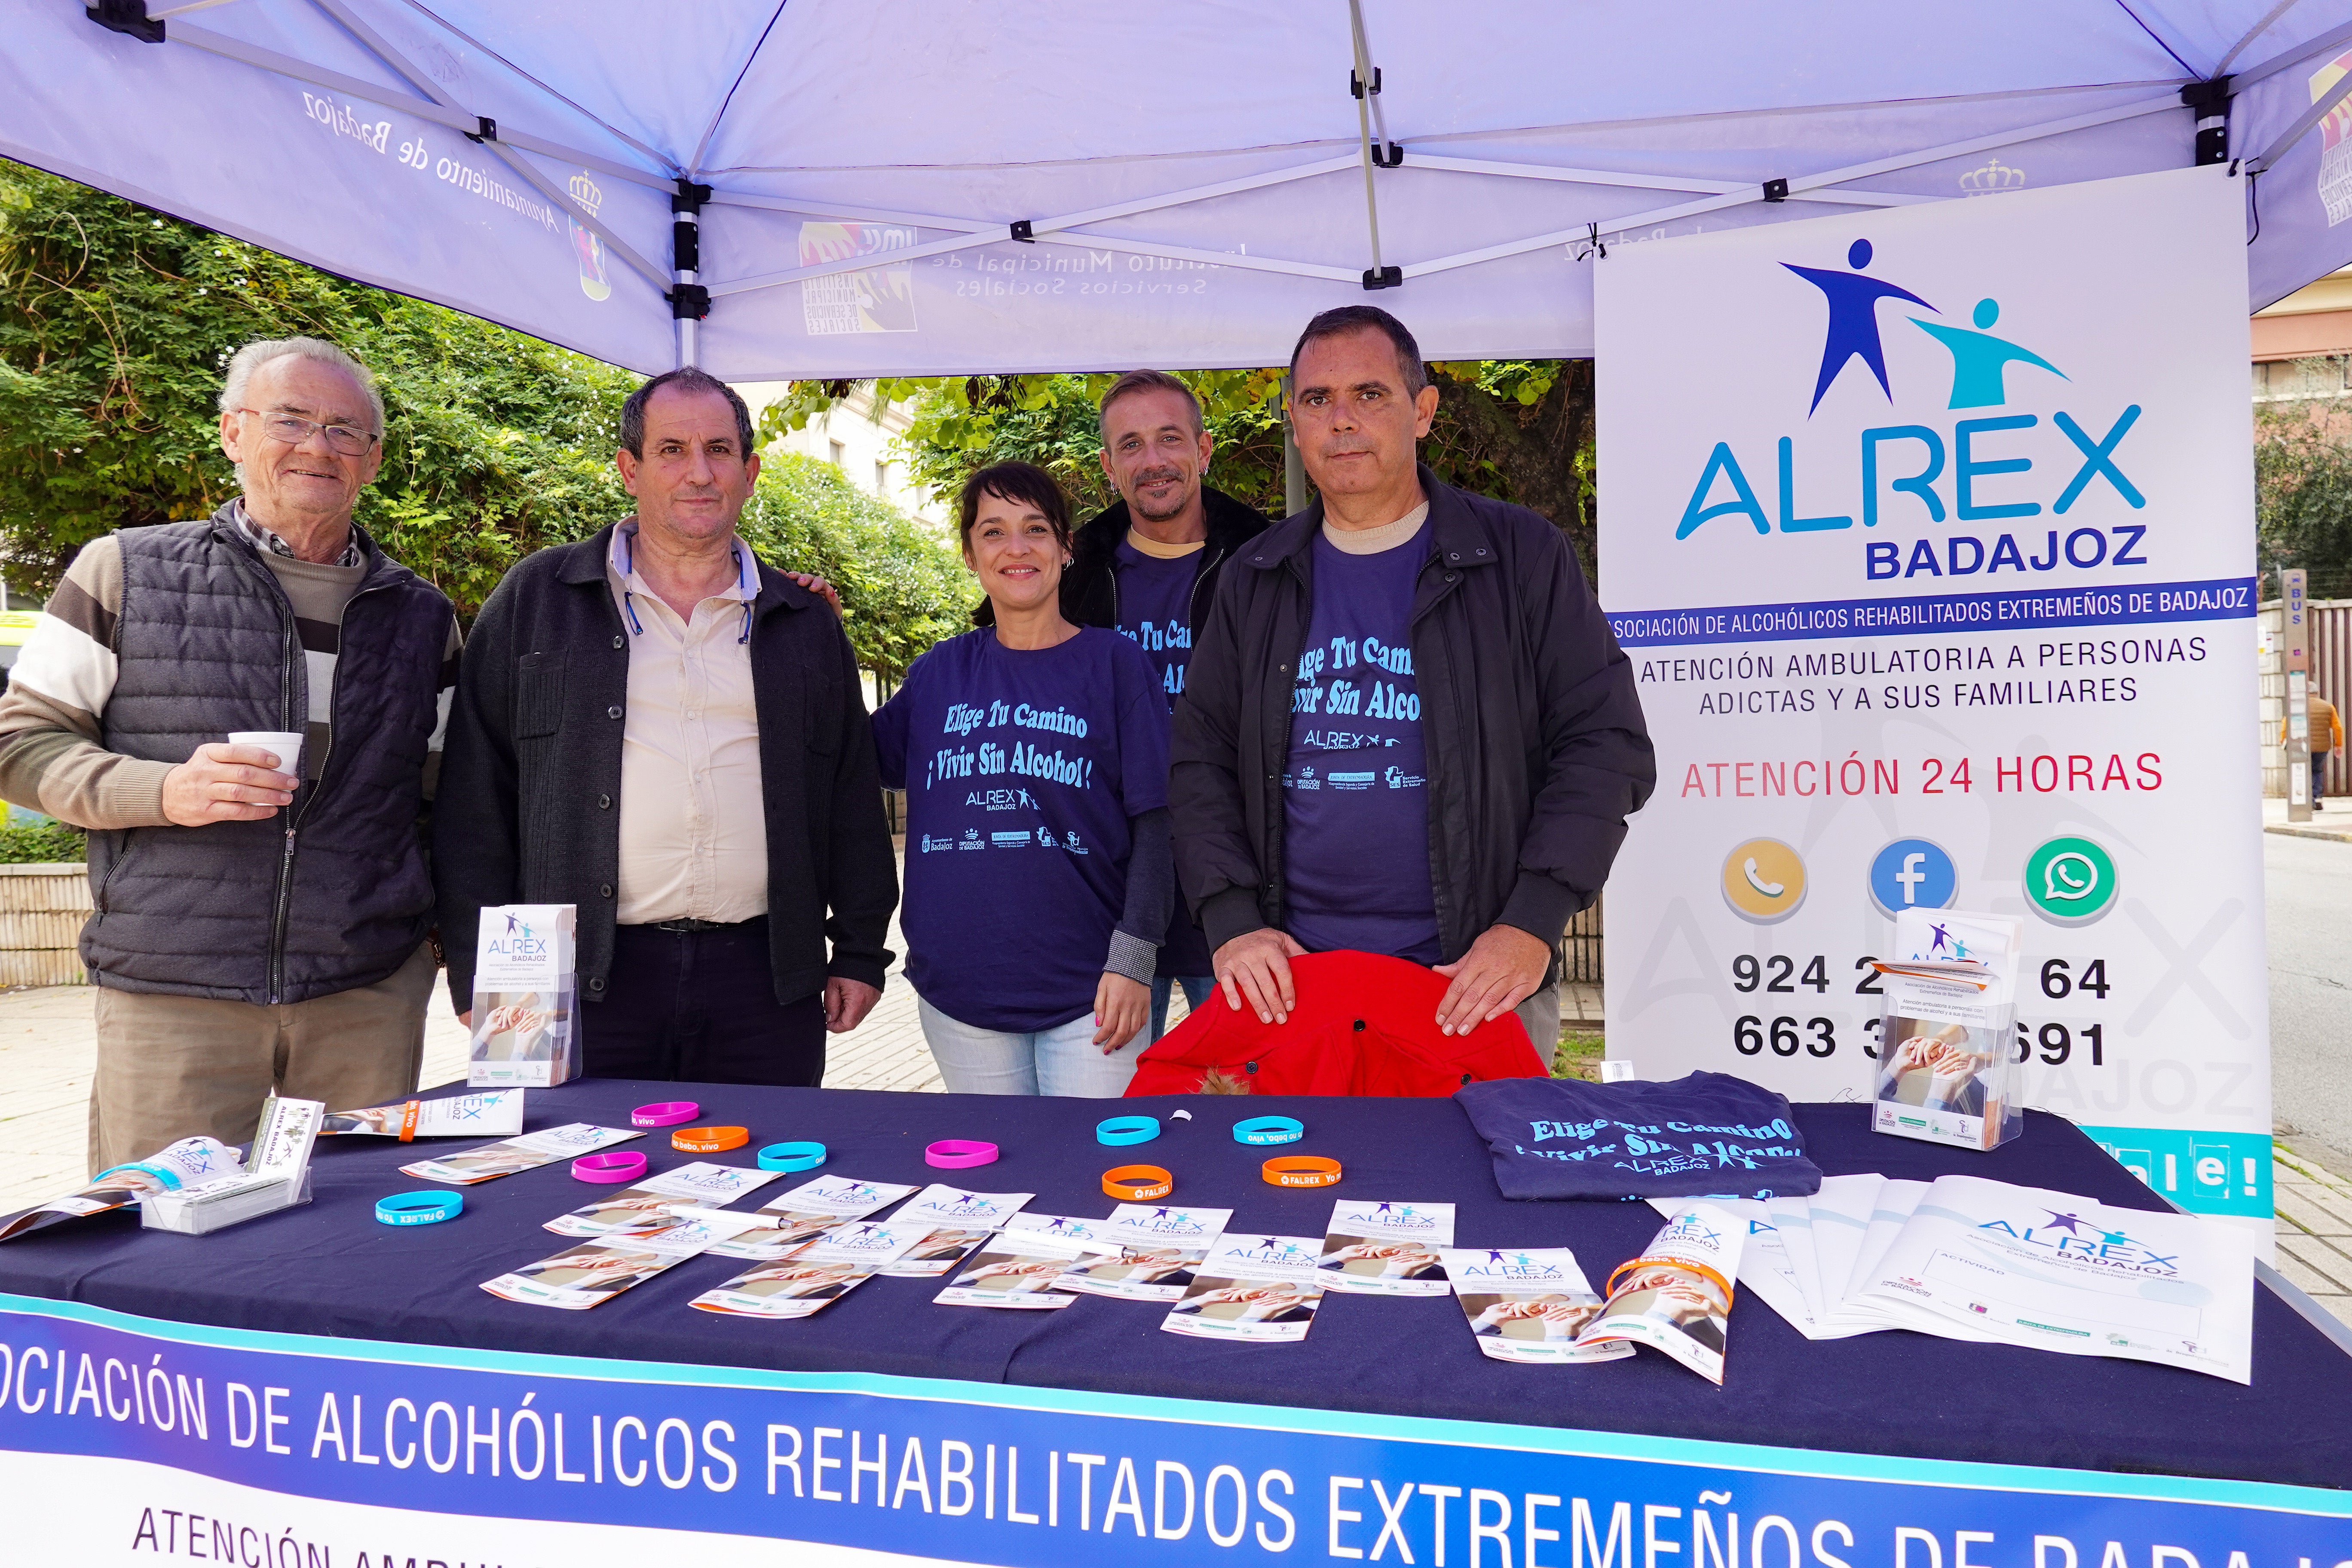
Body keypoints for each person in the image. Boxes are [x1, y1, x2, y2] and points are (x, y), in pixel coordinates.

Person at [0, 337, 460, 1173]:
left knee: (356, 1243)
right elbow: (20, 745)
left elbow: (442, 802)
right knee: (168, 1244)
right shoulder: (124, 571)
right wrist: (164, 789)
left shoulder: (421, 616)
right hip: (177, 993)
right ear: (232, 433)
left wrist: (443, 952)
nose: (319, 445)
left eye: (345, 430)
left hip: (367, 993)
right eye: (290, 418)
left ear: (374, 458)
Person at [1173, 306, 1653, 1056]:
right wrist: (1230, 918)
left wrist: (1530, 920)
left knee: (1476, 1174)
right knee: (1300, 1175)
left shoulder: (1520, 554)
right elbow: (1199, 758)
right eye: (1315, 399)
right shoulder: (1254, 577)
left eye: (1370, 394)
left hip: (1472, 978)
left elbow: (1604, 742)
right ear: (1293, 425)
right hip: (1299, 987)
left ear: (1422, 411)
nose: (1340, 421)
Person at [435, 368, 897, 1087]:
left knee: (762, 1179)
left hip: (763, 982)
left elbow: (849, 799)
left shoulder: (803, 623)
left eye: (718, 450)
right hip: (563, 977)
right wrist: (473, 969)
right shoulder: (535, 599)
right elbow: (474, 799)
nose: (699, 472)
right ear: (630, 469)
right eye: (672, 450)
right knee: (558, 1181)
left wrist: (861, 950)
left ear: (750, 472)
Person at [871, 462, 1173, 1096]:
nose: (1016, 548)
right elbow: (856, 759)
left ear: (1065, 548)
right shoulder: (938, 673)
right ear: (969, 553)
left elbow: (1160, 822)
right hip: (961, 994)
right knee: (999, 1183)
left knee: (1093, 1183)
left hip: (1094, 991)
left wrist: (1135, 958)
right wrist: (816, 629)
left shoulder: (1117, 665)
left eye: (1036, 529)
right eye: (993, 532)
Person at [1061, 371, 1271, 1038]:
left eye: (1169, 439)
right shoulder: (1071, 578)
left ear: (1204, 450)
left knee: (1250, 1103)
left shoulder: (1271, 563)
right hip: (1112, 900)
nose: (1152, 461)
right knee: (1119, 1121)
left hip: (1243, 893)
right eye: (1131, 444)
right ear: (1109, 465)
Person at [2286, 689, 2343, 808]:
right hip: (2322, 747)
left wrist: (2283, 741)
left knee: (2304, 771)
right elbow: (2338, 728)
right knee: (2317, 770)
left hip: (2302, 745)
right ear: (2317, 693)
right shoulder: (2328, 707)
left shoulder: (2298, 706)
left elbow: (2285, 725)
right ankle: (2317, 798)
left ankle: (2306, 799)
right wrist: (2338, 745)